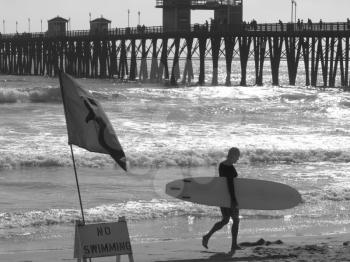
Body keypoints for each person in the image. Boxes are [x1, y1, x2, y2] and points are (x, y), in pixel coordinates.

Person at [202, 147, 241, 255]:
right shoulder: (227, 167)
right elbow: (229, 184)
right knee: (235, 220)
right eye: (237, 157)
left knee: (225, 220)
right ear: (232, 155)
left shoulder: (223, 165)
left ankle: (207, 236)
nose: (238, 159)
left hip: (223, 197)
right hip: (229, 197)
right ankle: (233, 244)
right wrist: (233, 199)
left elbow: (226, 183)